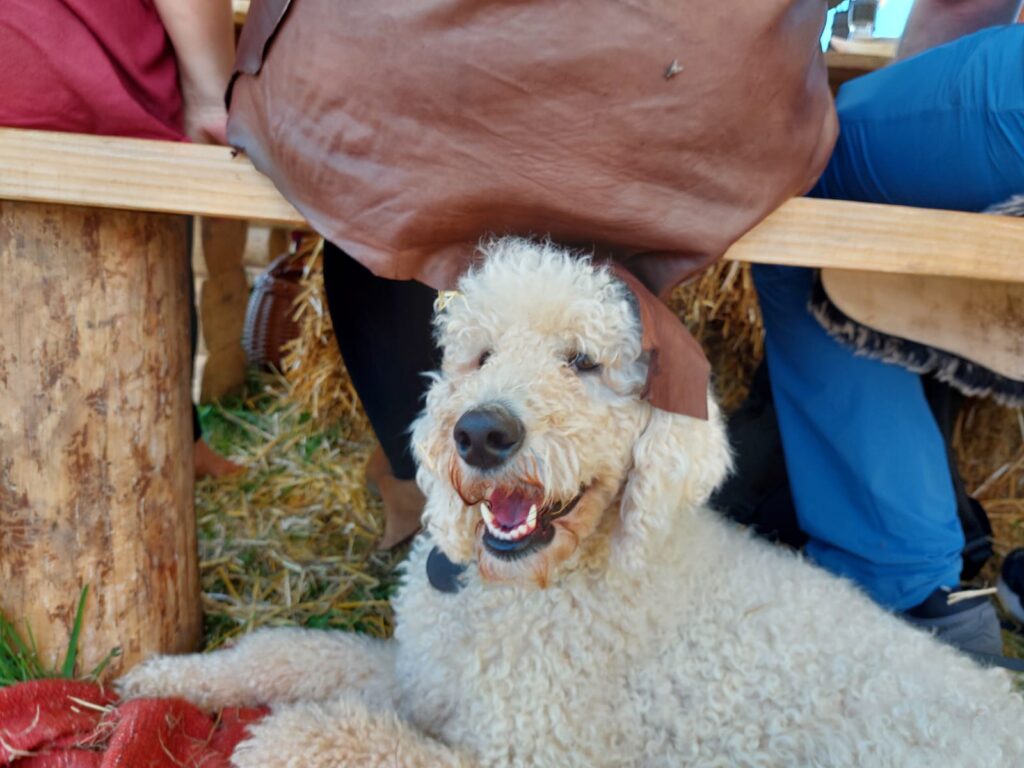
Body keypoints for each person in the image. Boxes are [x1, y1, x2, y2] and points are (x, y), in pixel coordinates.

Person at [0, 0, 242, 479]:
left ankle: (184, 440)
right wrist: (215, 97)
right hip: (80, 87)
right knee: (144, 279)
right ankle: (169, 451)